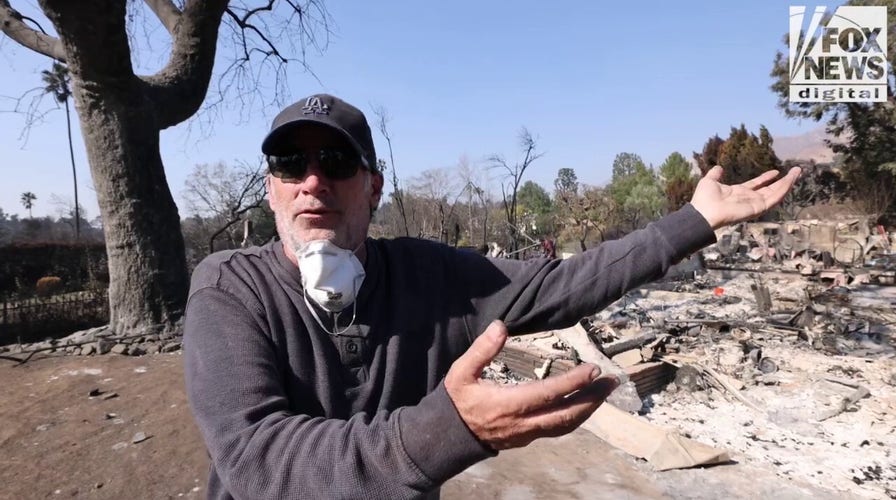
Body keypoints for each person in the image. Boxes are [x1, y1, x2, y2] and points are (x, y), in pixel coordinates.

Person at [184, 93, 800, 500]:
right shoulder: (229, 288)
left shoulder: (430, 274)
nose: (313, 181)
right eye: (290, 163)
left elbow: (561, 284)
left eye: (337, 161)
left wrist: (693, 221)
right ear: (271, 188)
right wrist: (449, 428)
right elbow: (257, 458)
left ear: (373, 188)